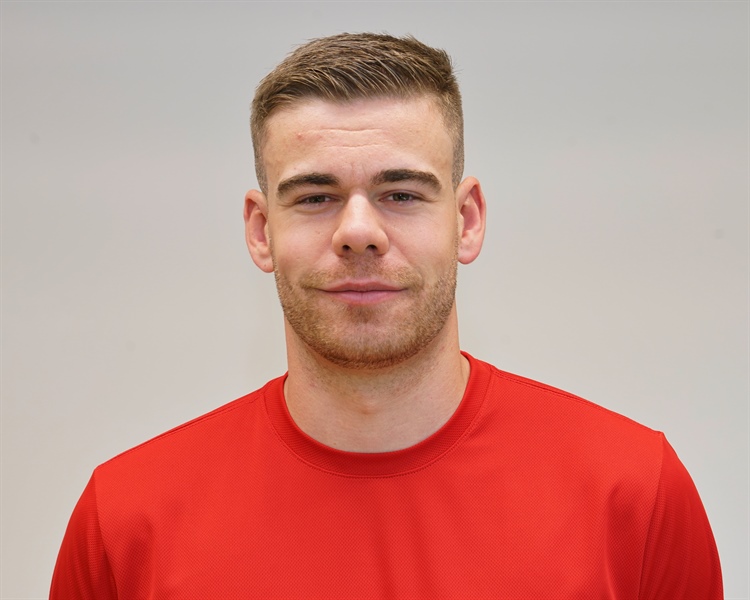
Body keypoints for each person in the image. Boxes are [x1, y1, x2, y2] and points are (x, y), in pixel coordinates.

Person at [50, 33, 723, 599]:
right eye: (315, 197)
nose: (358, 233)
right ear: (260, 230)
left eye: (400, 193)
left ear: (466, 220)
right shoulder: (127, 520)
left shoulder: (633, 495)